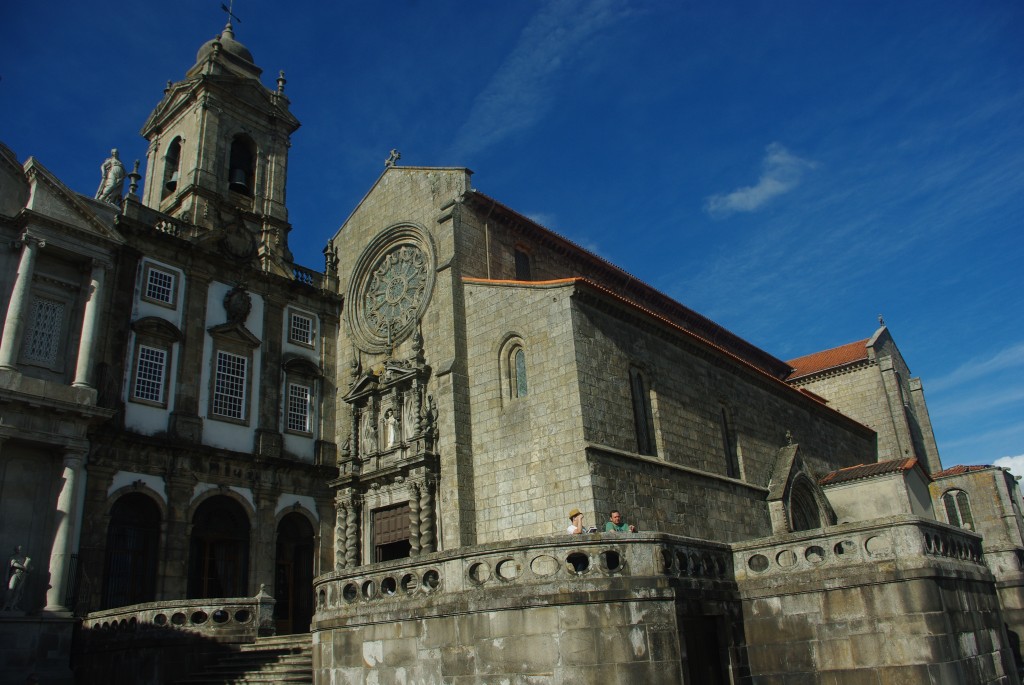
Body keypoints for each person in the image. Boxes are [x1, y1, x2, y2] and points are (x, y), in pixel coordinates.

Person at [3, 546, 29, 611]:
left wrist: (29, 568)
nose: (19, 550)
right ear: (15, 550)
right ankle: (5, 605)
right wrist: (24, 567)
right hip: (15, 574)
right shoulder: (13, 557)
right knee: (11, 589)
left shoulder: (23, 558)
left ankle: (13, 605)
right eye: (18, 549)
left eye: (20, 549)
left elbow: (29, 567)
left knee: (18, 591)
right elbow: (14, 564)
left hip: (22, 575)